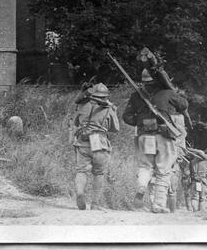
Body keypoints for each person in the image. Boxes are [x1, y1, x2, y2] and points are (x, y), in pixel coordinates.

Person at [123, 68, 189, 213]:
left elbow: (126, 117)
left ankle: (141, 186)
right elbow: (184, 105)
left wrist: (142, 123)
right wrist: (171, 89)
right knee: (163, 171)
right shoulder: (168, 93)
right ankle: (158, 205)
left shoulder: (135, 95)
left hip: (144, 136)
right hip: (163, 136)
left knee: (145, 167)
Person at [69, 83, 120, 210]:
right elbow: (116, 129)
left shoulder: (82, 105)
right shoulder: (108, 108)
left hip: (83, 141)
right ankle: (95, 204)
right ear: (105, 96)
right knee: (99, 173)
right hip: (99, 142)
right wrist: (113, 111)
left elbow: (76, 122)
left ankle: (80, 193)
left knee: (81, 171)